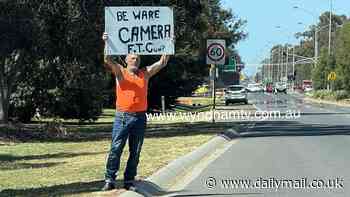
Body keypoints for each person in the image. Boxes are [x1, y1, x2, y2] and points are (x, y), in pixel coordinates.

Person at [101, 32, 170, 191]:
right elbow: (107, 59)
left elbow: (162, 62)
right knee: (116, 148)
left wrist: (168, 44)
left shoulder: (144, 73)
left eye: (138, 58)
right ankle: (110, 179)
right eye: (132, 58)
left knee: (135, 151)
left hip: (139, 118)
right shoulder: (120, 71)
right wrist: (106, 42)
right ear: (125, 60)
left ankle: (129, 181)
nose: (135, 60)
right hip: (123, 117)